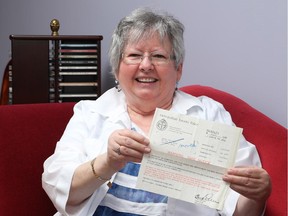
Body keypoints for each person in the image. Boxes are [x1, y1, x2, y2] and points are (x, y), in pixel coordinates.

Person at [42, 7, 271, 216]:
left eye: (158, 56)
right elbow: (59, 190)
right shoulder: (90, 113)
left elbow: (242, 209)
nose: (146, 65)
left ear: (178, 69)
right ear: (116, 66)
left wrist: (256, 196)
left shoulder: (209, 115)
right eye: (134, 55)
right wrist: (108, 162)